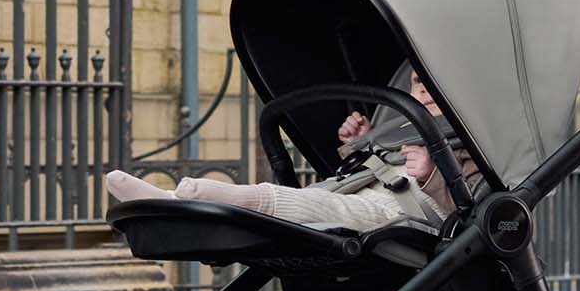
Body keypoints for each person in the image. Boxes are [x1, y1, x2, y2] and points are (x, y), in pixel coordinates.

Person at [105, 76, 468, 233]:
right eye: (419, 84)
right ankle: (170, 204)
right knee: (319, 198)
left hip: (412, 211)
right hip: (369, 192)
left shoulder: (474, 137)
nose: (425, 92)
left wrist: (433, 176)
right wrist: (361, 144)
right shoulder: (400, 125)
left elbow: (474, 205)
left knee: (331, 209)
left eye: (434, 85)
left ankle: (234, 197)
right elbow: (358, 173)